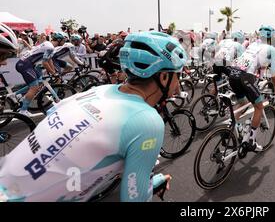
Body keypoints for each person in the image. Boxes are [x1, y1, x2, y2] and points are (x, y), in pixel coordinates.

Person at [0, 31, 186, 202]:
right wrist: (149, 185)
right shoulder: (147, 121)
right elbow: (134, 198)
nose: (178, 86)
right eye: (177, 76)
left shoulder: (100, 90)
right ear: (163, 77)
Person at [228, 25, 275, 152]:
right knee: (259, 106)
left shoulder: (252, 44)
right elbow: (274, 75)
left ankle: (230, 128)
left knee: (243, 103)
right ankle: (251, 141)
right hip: (245, 77)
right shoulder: (272, 49)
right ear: (272, 37)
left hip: (233, 74)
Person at [15, 32, 65, 116]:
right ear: (59, 40)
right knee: (34, 87)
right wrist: (53, 73)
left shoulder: (48, 44)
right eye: (63, 40)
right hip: (25, 65)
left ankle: (16, 95)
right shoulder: (50, 47)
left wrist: (54, 72)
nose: (64, 42)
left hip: (27, 64)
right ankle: (23, 111)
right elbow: (45, 63)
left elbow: (50, 60)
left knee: (39, 80)